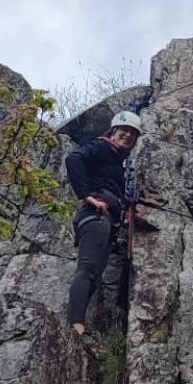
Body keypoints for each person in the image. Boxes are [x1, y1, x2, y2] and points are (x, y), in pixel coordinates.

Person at [65, 110, 142, 335]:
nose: (127, 136)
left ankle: (76, 324)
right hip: (94, 215)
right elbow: (73, 159)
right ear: (113, 131)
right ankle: (75, 325)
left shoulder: (116, 161)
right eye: (123, 131)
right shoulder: (102, 146)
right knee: (88, 269)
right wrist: (86, 195)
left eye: (132, 134)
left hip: (107, 219)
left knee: (95, 276)